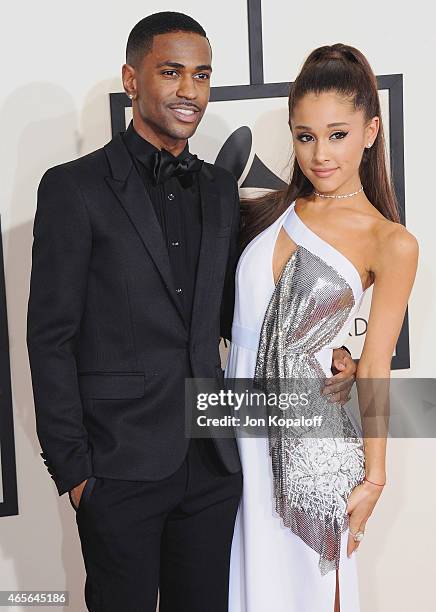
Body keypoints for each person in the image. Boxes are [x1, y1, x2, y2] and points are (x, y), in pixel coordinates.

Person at [26, 11, 356, 611]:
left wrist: (323, 350)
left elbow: (240, 315)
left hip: (211, 460)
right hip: (118, 466)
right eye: (171, 72)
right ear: (131, 79)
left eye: (202, 75)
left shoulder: (214, 190)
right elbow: (50, 338)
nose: (190, 91)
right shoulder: (73, 189)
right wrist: (76, 473)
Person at [226, 43, 418, 612]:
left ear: (370, 130)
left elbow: (376, 364)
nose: (320, 153)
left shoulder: (391, 241)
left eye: (337, 134)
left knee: (311, 592)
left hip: (315, 446)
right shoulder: (267, 213)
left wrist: (375, 479)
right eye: (305, 136)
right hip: (234, 436)